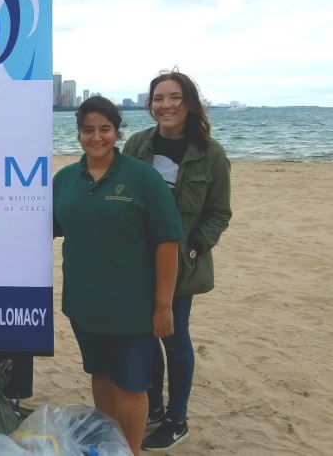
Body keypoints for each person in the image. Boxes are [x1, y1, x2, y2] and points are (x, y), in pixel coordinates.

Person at [53, 96, 185, 456]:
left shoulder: (142, 177)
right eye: (88, 130)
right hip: (83, 305)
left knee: (130, 386)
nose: (97, 138)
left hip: (132, 308)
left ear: (116, 131)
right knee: (100, 376)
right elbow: (40, 229)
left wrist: (163, 305)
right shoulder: (65, 179)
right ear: (79, 133)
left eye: (105, 129)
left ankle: (132, 450)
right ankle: (109, 446)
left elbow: (168, 242)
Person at [124, 70, 232, 451]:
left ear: (188, 103)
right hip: (138, 261)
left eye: (174, 97)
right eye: (158, 98)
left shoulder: (211, 153)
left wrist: (193, 249)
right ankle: (152, 405)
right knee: (144, 335)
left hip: (182, 265)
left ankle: (178, 418)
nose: (165, 105)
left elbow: (219, 213)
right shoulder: (136, 145)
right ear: (150, 104)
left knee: (173, 333)